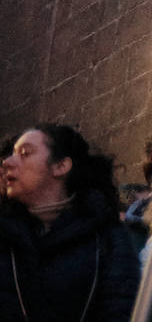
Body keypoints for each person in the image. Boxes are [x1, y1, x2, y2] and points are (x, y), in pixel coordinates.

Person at [0, 123, 140, 321]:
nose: (7, 162)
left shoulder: (106, 238)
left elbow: (120, 309)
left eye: (25, 153)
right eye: (11, 154)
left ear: (60, 166)